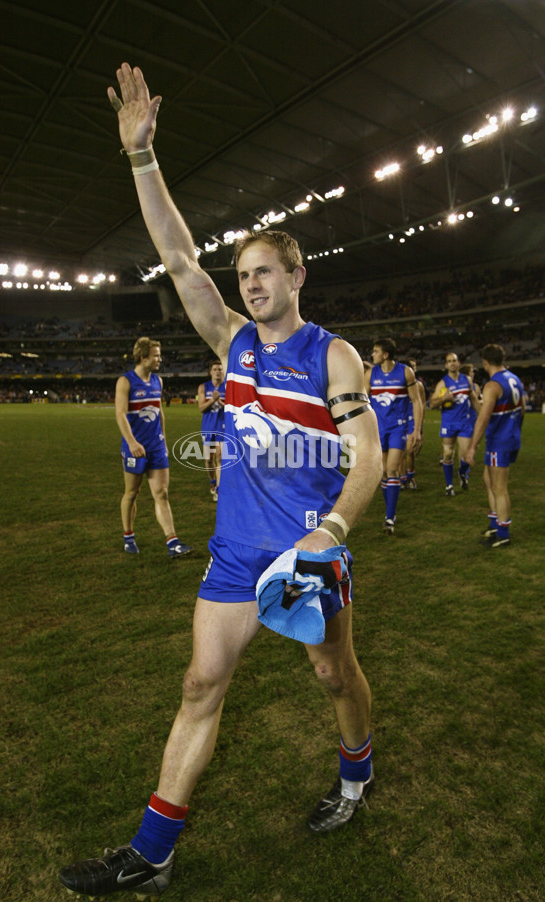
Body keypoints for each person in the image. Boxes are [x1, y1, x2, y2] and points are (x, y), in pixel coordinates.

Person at [58, 62, 383, 898]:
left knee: (331, 675)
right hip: (237, 557)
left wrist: (332, 534)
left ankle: (356, 774)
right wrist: (141, 157)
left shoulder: (332, 355)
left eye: (265, 272)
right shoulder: (230, 342)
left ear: (298, 276)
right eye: (243, 275)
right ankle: (152, 852)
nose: (251, 284)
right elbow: (174, 252)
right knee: (200, 682)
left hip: (310, 556)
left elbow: (370, 458)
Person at [115, 336, 193, 557]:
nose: (160, 359)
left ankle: (173, 542)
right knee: (132, 492)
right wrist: (131, 442)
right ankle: (128, 536)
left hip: (156, 446)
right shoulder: (125, 381)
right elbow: (120, 415)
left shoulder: (158, 381)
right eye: (156, 355)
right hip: (134, 448)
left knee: (162, 493)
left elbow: (160, 413)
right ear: (143, 357)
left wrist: (164, 441)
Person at [464, 344, 525, 548]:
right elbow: (522, 408)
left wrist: (472, 447)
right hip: (510, 436)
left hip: (500, 440)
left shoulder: (493, 385)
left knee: (499, 487)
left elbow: (483, 418)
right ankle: (495, 523)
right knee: (487, 478)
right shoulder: (514, 379)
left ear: (485, 362)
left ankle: (503, 532)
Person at [364, 338, 423, 533]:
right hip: (378, 429)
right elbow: (362, 401)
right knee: (383, 472)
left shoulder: (405, 372)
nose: (373, 355)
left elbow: (416, 402)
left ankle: (390, 517)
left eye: (376, 351)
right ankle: (390, 510)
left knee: (392, 469)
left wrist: (416, 430)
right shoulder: (371, 374)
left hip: (398, 428)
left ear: (386, 354)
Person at [429, 352, 480, 496]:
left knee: (465, 456)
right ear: (446, 365)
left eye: (454, 360)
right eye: (449, 361)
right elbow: (432, 404)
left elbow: (474, 400)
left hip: (464, 422)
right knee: (448, 454)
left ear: (458, 363)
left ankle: (462, 472)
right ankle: (449, 485)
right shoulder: (443, 383)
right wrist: (443, 398)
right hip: (449, 423)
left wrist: (483, 416)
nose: (452, 363)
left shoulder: (467, 380)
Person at [197, 360, 226, 501]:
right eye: (215, 369)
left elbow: (232, 408)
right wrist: (213, 400)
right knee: (208, 459)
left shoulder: (228, 387)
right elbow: (201, 408)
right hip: (208, 427)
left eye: (220, 369)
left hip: (223, 427)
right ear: (210, 372)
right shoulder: (203, 387)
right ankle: (213, 482)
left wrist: (219, 402)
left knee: (220, 458)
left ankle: (219, 490)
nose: (218, 371)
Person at [400, 357, 426, 490]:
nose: (414, 370)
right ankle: (403, 478)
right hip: (399, 419)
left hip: (412, 420)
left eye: (415, 367)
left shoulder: (418, 385)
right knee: (400, 452)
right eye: (412, 367)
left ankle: (411, 476)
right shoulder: (397, 383)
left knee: (409, 450)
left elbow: (422, 404)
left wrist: (420, 426)